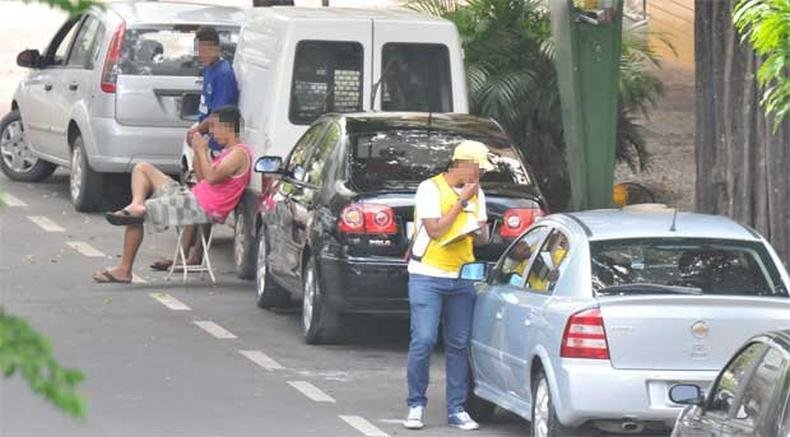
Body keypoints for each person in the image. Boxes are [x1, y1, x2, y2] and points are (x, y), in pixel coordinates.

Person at [94, 106, 251, 283]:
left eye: (214, 127)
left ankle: (124, 269)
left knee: (135, 216)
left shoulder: (239, 153)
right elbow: (203, 179)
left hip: (201, 207)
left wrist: (201, 151)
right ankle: (137, 202)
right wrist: (199, 152)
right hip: (192, 197)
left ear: (228, 127)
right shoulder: (226, 153)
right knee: (142, 168)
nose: (212, 133)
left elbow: (212, 177)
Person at [403, 140, 493, 431]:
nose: (480, 176)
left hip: (463, 274)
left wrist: (480, 228)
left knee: (458, 344)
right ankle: (416, 404)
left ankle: (457, 408)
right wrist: (462, 202)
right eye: (478, 169)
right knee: (424, 339)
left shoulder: (478, 193)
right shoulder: (430, 188)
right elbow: (436, 230)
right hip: (427, 273)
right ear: (463, 164)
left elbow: (483, 240)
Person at [150, 26, 239, 271]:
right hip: (205, 142)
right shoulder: (209, 70)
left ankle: (190, 255)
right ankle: (189, 255)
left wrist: (198, 131)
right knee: (198, 195)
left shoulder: (223, 73)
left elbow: (219, 113)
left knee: (199, 196)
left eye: (202, 48)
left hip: (212, 144)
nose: (199, 54)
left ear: (212, 46)